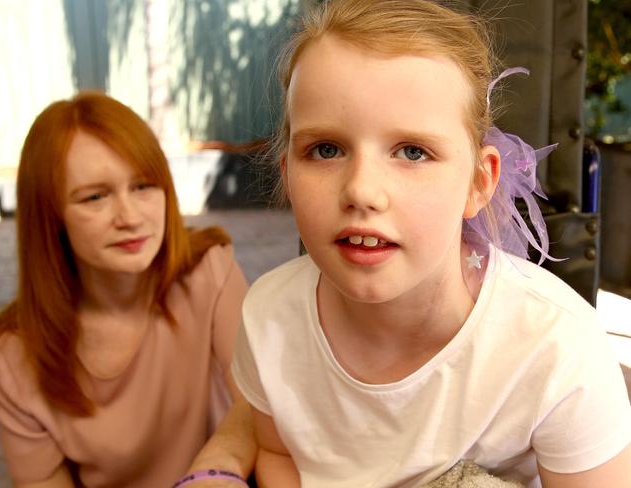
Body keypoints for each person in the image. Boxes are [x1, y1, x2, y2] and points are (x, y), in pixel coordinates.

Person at [231, 1, 631, 487]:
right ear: (287, 173)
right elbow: (277, 453)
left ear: (478, 182)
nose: (361, 190)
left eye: (413, 152)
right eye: (326, 149)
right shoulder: (268, 318)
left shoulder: (557, 350)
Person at [0, 92, 256, 487]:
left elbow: (257, 398)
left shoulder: (208, 269)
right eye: (95, 197)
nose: (130, 217)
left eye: (143, 186)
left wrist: (214, 467)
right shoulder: (12, 360)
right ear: (51, 217)